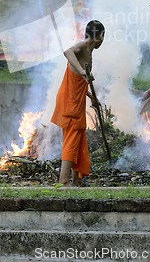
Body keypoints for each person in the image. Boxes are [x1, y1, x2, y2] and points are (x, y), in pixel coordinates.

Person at [51, 20, 105, 186]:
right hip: (69, 100)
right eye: (103, 37)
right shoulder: (82, 46)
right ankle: (64, 180)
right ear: (100, 36)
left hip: (77, 99)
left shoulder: (89, 51)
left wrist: (92, 97)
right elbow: (67, 52)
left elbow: (81, 82)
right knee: (72, 137)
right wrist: (83, 71)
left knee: (79, 137)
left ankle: (76, 179)